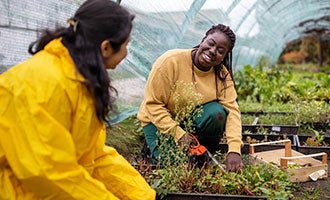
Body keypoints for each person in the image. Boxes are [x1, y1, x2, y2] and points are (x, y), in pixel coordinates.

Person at [0, 0, 156, 199]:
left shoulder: (79, 80)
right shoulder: (41, 84)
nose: (126, 53)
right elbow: (49, 173)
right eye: (126, 45)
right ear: (106, 48)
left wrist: (141, 196)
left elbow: (94, 156)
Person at [138, 24, 244, 172]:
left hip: (189, 119)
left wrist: (234, 149)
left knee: (217, 113)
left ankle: (201, 157)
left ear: (225, 56)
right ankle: (151, 150)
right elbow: (152, 105)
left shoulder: (222, 76)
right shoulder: (170, 61)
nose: (212, 51)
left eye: (221, 51)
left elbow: (232, 111)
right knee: (176, 167)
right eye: (211, 43)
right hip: (157, 121)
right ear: (203, 40)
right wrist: (179, 135)